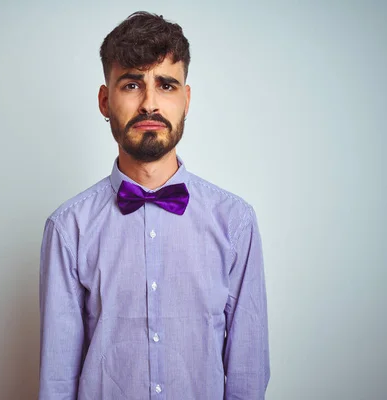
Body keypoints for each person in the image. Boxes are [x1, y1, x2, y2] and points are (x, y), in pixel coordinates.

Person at [39, 11, 270, 400]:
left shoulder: (236, 223)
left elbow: (247, 374)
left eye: (166, 85)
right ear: (104, 100)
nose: (149, 103)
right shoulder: (67, 228)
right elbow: (58, 381)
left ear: (186, 99)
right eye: (131, 84)